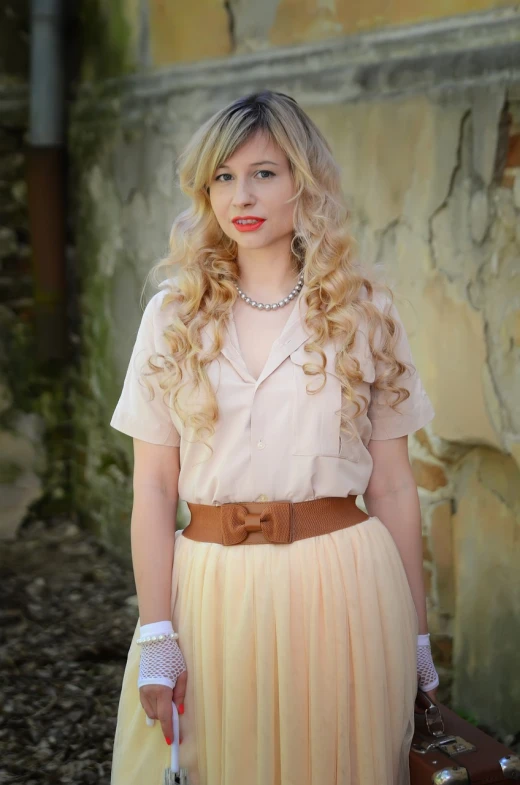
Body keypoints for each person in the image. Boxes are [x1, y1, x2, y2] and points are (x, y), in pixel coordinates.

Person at [109, 90, 439, 785]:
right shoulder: (173, 315)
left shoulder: (363, 310)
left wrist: (414, 631)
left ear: (303, 181)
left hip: (344, 588)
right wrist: (158, 632)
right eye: (222, 177)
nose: (242, 194)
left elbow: (394, 486)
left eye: (264, 171)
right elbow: (154, 487)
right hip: (211, 591)